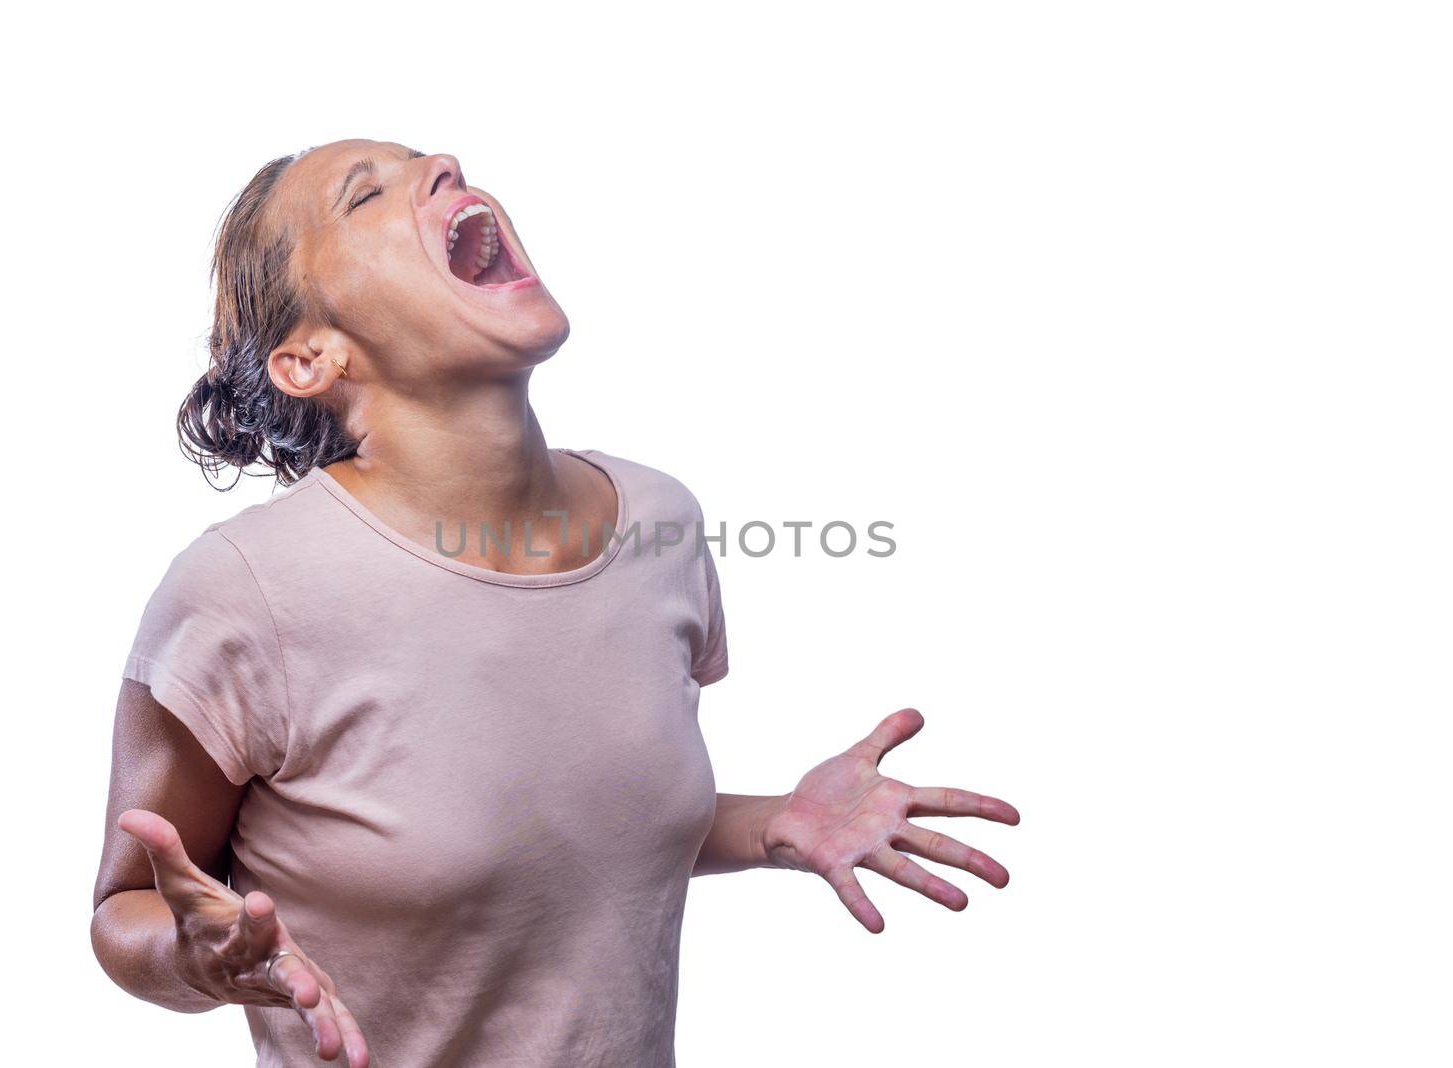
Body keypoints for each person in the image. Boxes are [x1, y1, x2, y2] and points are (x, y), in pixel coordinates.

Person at [89, 139, 1020, 1068]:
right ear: (310, 357)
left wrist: (775, 823)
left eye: (430, 163)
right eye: (366, 195)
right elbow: (125, 912)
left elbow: (569, 840)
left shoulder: (659, 524)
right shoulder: (244, 592)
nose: (444, 167)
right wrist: (195, 962)